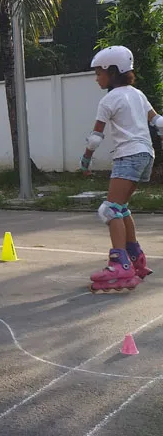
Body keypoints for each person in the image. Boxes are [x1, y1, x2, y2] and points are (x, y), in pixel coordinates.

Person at [81, 45, 158, 293]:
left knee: (109, 210)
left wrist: (85, 160)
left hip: (128, 155)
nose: (96, 78)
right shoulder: (137, 94)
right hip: (146, 154)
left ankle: (120, 264)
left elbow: (95, 137)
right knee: (122, 208)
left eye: (98, 73)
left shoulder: (109, 99)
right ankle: (136, 258)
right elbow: (158, 121)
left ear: (112, 71)